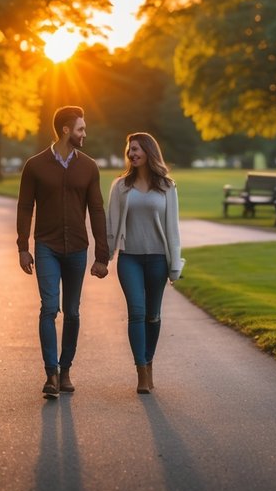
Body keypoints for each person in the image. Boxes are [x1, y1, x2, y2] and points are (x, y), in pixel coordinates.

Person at [16, 105, 109, 398]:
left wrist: (102, 255)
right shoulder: (35, 165)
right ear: (66, 130)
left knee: (72, 312)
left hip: (78, 250)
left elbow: (96, 210)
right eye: (81, 128)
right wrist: (22, 247)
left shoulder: (89, 167)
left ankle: (66, 369)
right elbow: (24, 207)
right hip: (46, 246)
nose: (85, 133)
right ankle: (51, 375)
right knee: (49, 308)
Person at [106, 132, 184, 394]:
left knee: (153, 315)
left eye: (136, 149)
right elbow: (111, 224)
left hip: (158, 260)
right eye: (130, 150)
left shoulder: (167, 186)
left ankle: (149, 363)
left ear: (149, 151)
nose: (132, 154)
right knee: (137, 313)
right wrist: (103, 257)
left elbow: (173, 229)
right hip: (130, 258)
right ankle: (141, 371)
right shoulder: (121, 186)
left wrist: (175, 266)